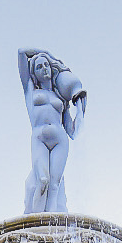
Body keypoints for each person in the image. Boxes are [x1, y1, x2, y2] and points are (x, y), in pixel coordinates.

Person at [20, 50, 86, 213]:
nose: (44, 68)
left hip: (60, 140)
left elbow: (72, 132)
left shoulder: (61, 98)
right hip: (39, 138)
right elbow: (22, 52)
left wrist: (80, 109)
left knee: (55, 185)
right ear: (34, 74)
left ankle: (51, 221)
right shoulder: (30, 90)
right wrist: (49, 56)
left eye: (46, 65)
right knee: (43, 180)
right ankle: (36, 222)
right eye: (39, 67)